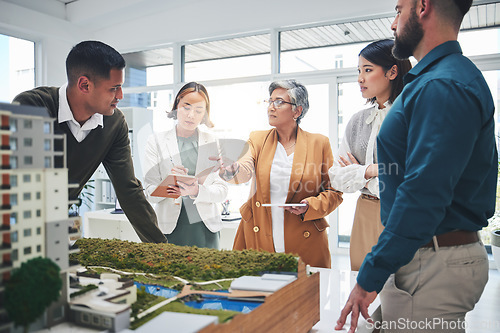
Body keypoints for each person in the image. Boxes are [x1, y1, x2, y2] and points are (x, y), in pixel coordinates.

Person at [336, 0, 497, 332]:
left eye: (398, 10)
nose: (393, 24)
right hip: (423, 255)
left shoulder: (441, 85)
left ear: (422, 7)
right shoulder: (435, 80)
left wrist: (371, 273)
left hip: (432, 259)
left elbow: (423, 192)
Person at [13, 40, 167, 243]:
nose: (120, 96)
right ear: (84, 85)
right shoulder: (31, 106)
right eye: (114, 88)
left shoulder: (114, 123)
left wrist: (161, 250)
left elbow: (128, 190)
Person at [219, 79, 343, 268]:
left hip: (304, 238)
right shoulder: (257, 139)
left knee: (302, 295)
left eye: (279, 102)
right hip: (259, 235)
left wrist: (309, 206)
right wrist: (232, 170)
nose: (271, 107)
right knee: (257, 294)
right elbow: (244, 168)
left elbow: (334, 192)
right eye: (269, 101)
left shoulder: (320, 143)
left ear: (297, 111)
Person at [329, 39, 411, 271]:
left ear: (392, 71)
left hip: (403, 213)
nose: (360, 79)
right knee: (363, 289)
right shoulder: (357, 121)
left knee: (401, 292)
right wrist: (371, 169)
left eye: (368, 70)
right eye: (359, 71)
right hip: (365, 211)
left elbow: (411, 171)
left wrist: (358, 172)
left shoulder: (413, 115)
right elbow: (336, 178)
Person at [143, 82, 228, 249]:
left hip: (205, 229)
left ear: (204, 113)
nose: (191, 115)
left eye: (198, 110)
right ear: (176, 106)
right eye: (186, 107)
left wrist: (197, 190)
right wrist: (170, 182)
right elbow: (149, 194)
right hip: (170, 229)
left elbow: (222, 190)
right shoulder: (156, 141)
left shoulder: (212, 141)